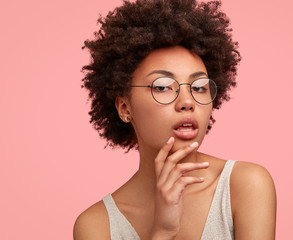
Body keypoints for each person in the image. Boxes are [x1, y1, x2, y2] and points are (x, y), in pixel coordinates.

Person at [73, 0, 276, 239]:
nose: (187, 101)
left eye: (199, 87)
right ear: (125, 107)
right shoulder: (97, 226)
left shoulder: (245, 186)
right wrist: (163, 231)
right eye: (162, 87)